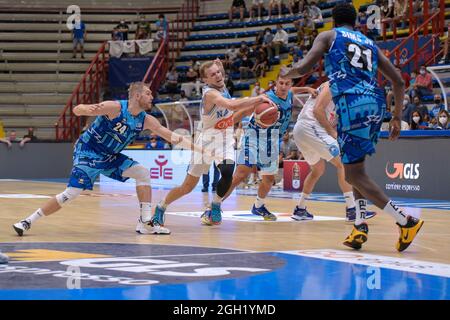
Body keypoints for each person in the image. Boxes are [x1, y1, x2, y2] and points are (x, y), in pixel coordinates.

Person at [281, 3, 424, 252]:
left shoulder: (328, 35)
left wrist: (288, 72)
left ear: (334, 20)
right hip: (374, 103)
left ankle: (405, 220)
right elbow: (399, 81)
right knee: (353, 167)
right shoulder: (369, 43)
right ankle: (359, 225)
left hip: (350, 103)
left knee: (354, 174)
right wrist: (396, 116)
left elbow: (304, 68)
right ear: (356, 21)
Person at [12, 82, 202, 236]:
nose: (152, 96)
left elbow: (170, 136)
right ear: (137, 95)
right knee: (72, 193)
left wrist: (197, 148)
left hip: (110, 157)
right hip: (88, 152)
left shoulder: (145, 120)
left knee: (143, 173)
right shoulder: (115, 107)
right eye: (148, 93)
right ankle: (28, 221)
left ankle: (145, 223)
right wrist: (84, 108)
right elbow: (79, 110)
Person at [151, 59, 274, 227]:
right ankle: (161, 206)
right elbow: (231, 105)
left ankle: (215, 204)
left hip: (224, 139)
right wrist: (257, 99)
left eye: (218, 72)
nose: (217, 75)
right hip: (206, 140)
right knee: (187, 187)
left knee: (228, 170)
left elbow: (229, 117)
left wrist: (219, 65)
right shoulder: (210, 93)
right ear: (205, 80)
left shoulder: (221, 84)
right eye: (212, 74)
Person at [221, 73, 317, 221]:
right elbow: (245, 111)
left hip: (272, 142)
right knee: (240, 174)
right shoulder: (266, 98)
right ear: (276, 84)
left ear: (290, 84)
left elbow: (294, 90)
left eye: (287, 83)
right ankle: (215, 206)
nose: (284, 87)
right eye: (281, 83)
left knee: (268, 179)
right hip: (254, 137)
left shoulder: (289, 93)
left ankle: (258, 206)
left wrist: (308, 89)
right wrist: (226, 125)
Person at [291, 81, 376, 222]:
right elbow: (317, 111)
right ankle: (352, 209)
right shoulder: (334, 84)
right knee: (344, 163)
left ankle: (300, 209)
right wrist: (332, 132)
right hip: (310, 125)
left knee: (317, 170)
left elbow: (333, 119)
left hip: (302, 129)